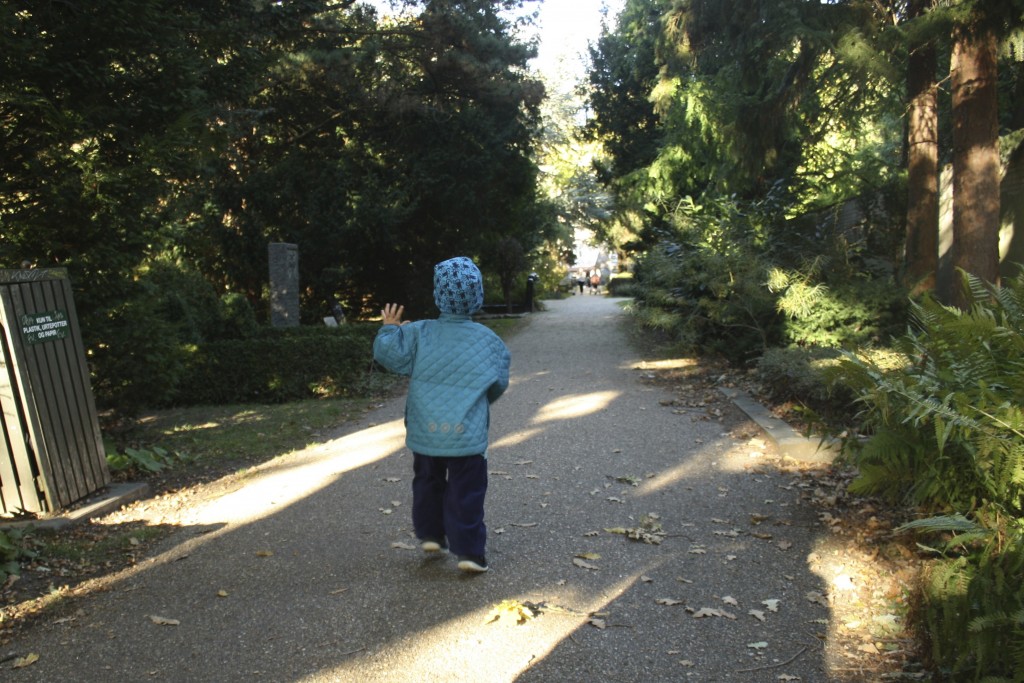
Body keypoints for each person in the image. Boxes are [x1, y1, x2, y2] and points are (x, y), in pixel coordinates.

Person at [373, 257, 511, 573]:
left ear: (438, 295)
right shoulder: (490, 342)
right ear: (477, 297)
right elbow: (498, 383)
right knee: (467, 491)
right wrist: (479, 401)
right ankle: (469, 552)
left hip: (425, 430)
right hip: (467, 435)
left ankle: (431, 534)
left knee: (427, 481)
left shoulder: (420, 333)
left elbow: (388, 354)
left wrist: (390, 330)